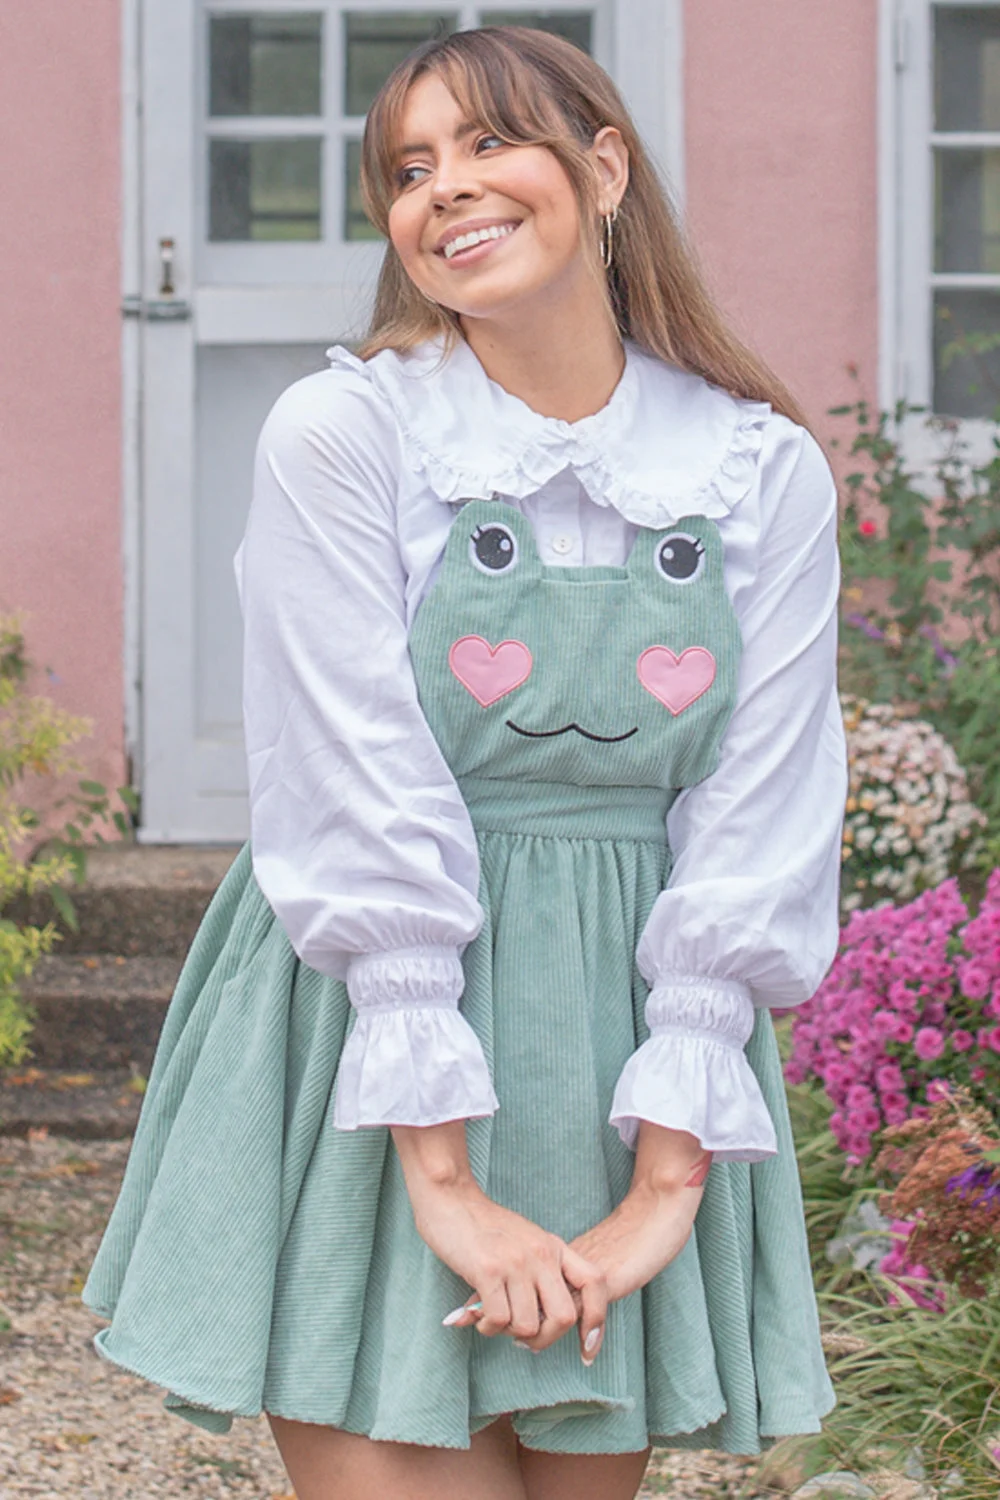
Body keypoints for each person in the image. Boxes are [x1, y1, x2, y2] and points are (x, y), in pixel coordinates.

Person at [83, 25, 847, 1500]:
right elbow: (349, 774)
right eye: (410, 167)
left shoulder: (761, 469)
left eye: (491, 142)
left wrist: (666, 1178)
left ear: (604, 169)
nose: (446, 188)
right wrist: (441, 1179)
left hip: (625, 1029)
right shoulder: (347, 434)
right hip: (381, 1021)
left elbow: (765, 808)